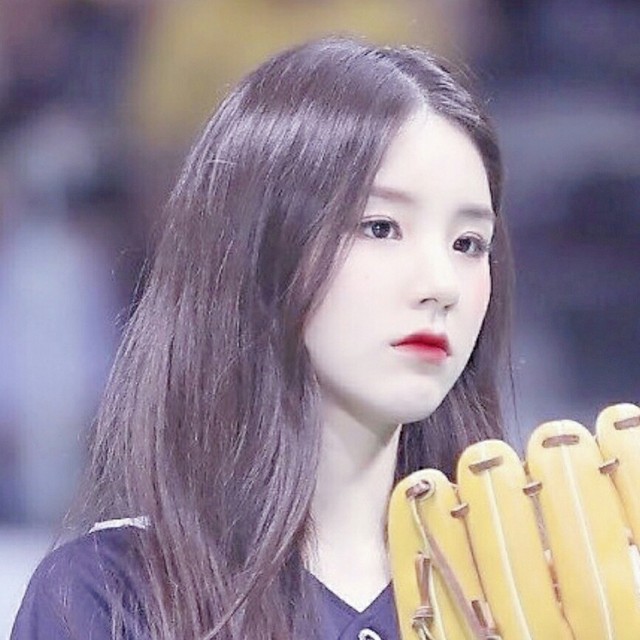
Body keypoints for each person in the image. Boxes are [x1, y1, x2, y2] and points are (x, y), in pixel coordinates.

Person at [11, 36, 512, 640]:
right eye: (380, 228)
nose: (441, 285)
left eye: (468, 244)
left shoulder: (530, 593)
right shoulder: (113, 598)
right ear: (259, 248)